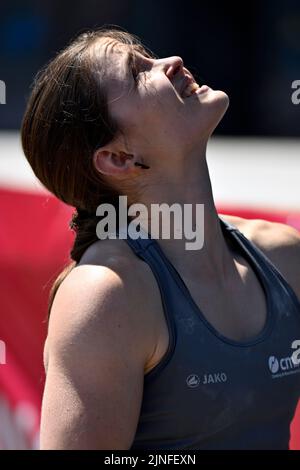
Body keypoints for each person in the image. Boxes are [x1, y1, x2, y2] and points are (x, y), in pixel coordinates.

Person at [21, 26, 300, 450]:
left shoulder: (283, 255)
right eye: (137, 73)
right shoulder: (107, 295)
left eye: (146, 57)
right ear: (119, 158)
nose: (170, 62)